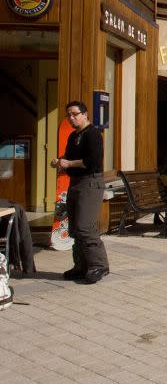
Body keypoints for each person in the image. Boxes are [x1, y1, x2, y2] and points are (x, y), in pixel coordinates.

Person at [52, 101, 109, 284]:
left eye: (75, 114)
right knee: (75, 228)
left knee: (85, 226)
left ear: (85, 114)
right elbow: (68, 158)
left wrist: (68, 163)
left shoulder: (93, 135)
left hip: (90, 182)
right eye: (68, 115)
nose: (71, 118)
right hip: (75, 183)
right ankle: (81, 266)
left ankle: (98, 265)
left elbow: (91, 162)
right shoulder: (73, 136)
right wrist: (60, 162)